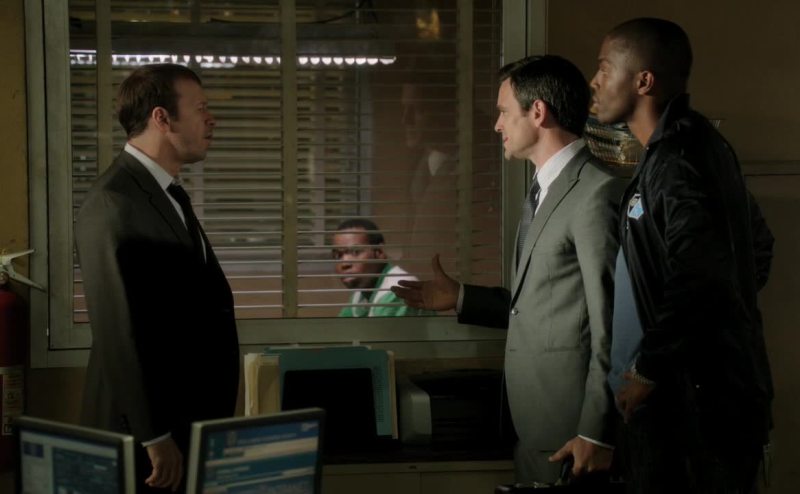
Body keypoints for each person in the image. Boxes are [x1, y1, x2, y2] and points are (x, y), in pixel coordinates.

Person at [392, 55, 627, 484]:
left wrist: (597, 430)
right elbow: (545, 306)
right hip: (534, 425)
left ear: (537, 112)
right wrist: (462, 298)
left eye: (503, 112)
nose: (497, 124)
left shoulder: (595, 193)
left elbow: (611, 322)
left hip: (574, 431)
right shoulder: (542, 190)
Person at [590, 18, 775, 493]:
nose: (594, 82)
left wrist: (652, 366)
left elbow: (702, 274)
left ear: (643, 81)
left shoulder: (681, 159)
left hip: (696, 414)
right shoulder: (676, 151)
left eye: (604, 69)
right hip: (679, 405)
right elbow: (746, 253)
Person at [75, 64, 240, 493]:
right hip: (144, 440)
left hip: (184, 423)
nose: (212, 119)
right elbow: (118, 328)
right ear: (162, 118)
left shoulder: (165, 194)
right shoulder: (113, 201)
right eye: (200, 108)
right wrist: (153, 434)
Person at [333, 218, 432, 317]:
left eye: (355, 252)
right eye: (338, 255)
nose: (344, 264)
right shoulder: (361, 293)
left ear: (379, 252)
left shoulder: (398, 291)